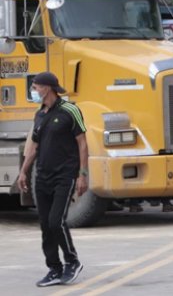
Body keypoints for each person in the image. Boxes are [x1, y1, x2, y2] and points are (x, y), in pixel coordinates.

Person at [17, 72, 87, 286]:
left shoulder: (70, 110)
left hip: (64, 176)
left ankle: (72, 261)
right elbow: (35, 147)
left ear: (47, 88)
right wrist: (24, 172)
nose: (34, 91)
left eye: (36, 87)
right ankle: (54, 269)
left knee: (56, 221)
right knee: (46, 226)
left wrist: (83, 175)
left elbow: (82, 143)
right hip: (43, 177)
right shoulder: (40, 115)